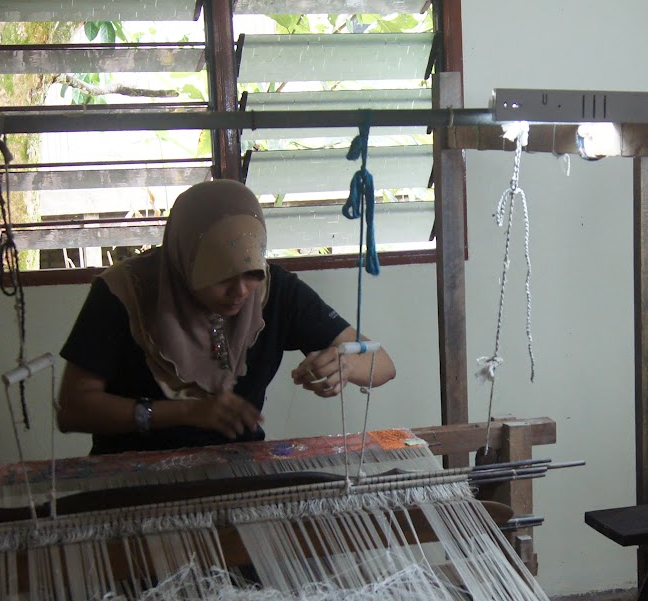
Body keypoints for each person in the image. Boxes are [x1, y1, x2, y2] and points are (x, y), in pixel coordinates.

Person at [57, 179, 395, 454]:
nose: (241, 291)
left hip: (237, 469)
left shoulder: (275, 290)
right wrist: (184, 411)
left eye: (251, 273)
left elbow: (382, 363)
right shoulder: (123, 293)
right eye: (221, 277)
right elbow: (73, 410)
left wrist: (345, 365)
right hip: (131, 477)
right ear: (185, 260)